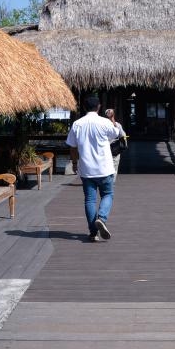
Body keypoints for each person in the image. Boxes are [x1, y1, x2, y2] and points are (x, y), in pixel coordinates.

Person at [66, 96, 121, 242]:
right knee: (107, 194)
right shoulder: (104, 122)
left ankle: (93, 232)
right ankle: (101, 218)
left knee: (90, 200)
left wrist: (74, 163)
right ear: (99, 107)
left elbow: (72, 147)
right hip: (104, 168)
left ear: (84, 108)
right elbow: (116, 133)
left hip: (87, 169)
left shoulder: (77, 124)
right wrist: (112, 118)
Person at [105, 108, 128, 181]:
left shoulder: (100, 125)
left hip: (103, 149)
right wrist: (124, 144)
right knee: (114, 167)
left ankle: (105, 181)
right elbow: (123, 135)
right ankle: (111, 182)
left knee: (104, 167)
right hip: (114, 149)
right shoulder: (117, 125)